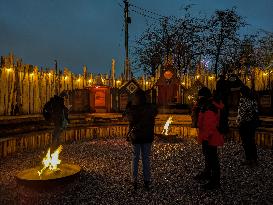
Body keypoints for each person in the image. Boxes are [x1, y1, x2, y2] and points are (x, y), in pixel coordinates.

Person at [124, 90, 157, 191]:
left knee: (135, 158)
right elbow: (155, 112)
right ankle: (147, 181)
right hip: (147, 136)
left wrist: (128, 107)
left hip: (136, 137)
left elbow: (127, 118)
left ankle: (134, 180)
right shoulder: (150, 108)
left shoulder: (133, 109)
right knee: (146, 158)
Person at [194, 87, 224, 190]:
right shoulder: (206, 105)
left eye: (200, 96)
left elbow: (209, 125)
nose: (198, 98)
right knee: (209, 157)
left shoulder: (210, 107)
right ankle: (208, 173)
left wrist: (206, 139)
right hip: (208, 137)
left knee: (213, 159)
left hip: (211, 138)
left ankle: (214, 181)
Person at [237, 85, 258, 166]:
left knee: (245, 142)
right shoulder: (253, 99)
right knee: (251, 141)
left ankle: (248, 159)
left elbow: (241, 113)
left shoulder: (243, 100)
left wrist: (238, 122)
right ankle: (254, 159)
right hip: (252, 123)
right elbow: (256, 110)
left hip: (244, 124)